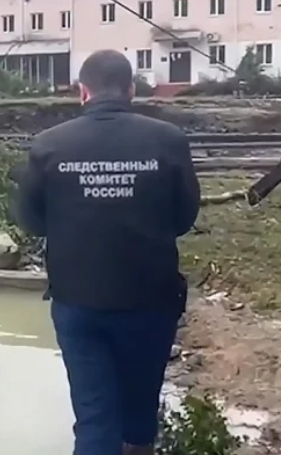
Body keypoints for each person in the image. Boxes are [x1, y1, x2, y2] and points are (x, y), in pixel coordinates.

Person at [16, 49, 201, 455]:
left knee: (95, 416)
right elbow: (185, 217)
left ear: (83, 91)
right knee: (139, 414)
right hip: (151, 301)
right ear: (131, 90)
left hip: (79, 304)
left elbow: (31, 221)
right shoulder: (168, 140)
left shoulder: (48, 145)